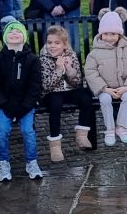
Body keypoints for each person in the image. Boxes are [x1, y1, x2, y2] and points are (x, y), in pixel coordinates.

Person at [0, 17, 44, 182]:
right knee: (2, 131)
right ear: (5, 37)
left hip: (25, 104)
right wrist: (4, 104)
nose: (14, 33)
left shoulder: (32, 59)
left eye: (18, 31)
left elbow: (35, 85)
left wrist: (26, 105)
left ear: (24, 36)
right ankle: (3, 162)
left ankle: (31, 161)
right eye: (10, 31)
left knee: (28, 131)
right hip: (5, 104)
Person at [85, 9, 127, 146]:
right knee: (105, 100)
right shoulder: (95, 53)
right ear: (100, 34)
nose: (109, 37)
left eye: (113, 34)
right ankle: (110, 128)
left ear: (119, 34)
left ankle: (122, 127)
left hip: (125, 87)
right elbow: (90, 71)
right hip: (105, 89)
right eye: (106, 34)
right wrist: (104, 89)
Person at [40, 25, 96, 160]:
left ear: (65, 45)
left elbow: (77, 82)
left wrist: (69, 69)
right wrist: (59, 70)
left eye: (57, 43)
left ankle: (82, 135)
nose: (52, 46)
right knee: (56, 104)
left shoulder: (71, 55)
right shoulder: (44, 58)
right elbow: (46, 85)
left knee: (86, 98)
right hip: (51, 93)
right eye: (49, 43)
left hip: (69, 90)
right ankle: (55, 145)